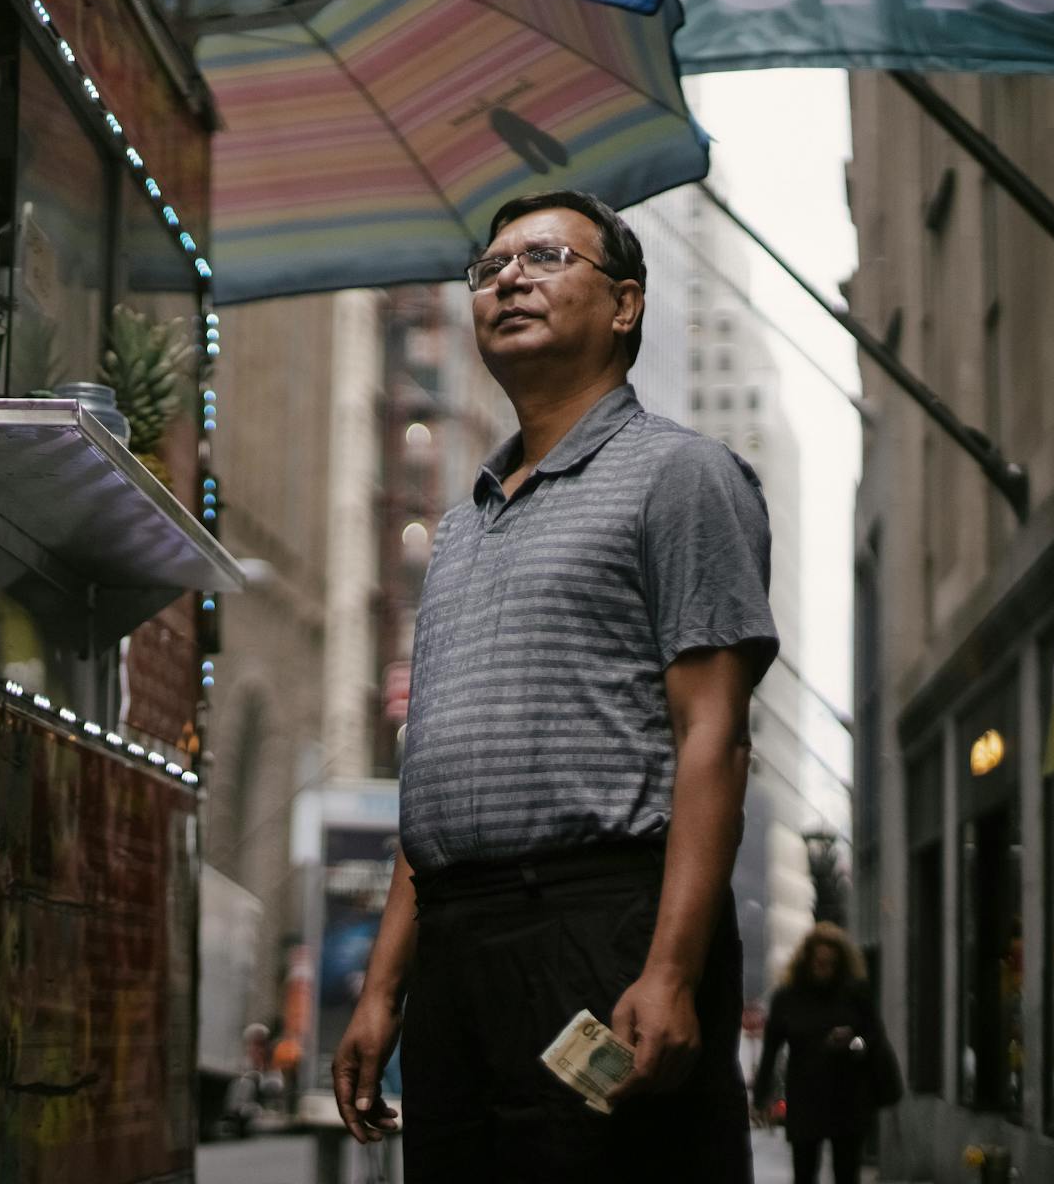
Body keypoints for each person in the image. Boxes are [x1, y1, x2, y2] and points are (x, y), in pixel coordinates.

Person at [330, 190, 778, 1182]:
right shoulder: (459, 529)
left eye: (543, 257)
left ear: (625, 304)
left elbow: (714, 735)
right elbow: (435, 774)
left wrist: (669, 970)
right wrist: (382, 988)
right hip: (458, 944)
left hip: (600, 924)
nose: (510, 281)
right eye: (489, 270)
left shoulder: (684, 476)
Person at [753, 923, 890, 1184]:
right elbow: (771, 1047)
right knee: (804, 1171)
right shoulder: (788, 998)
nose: (824, 969)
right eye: (819, 962)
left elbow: (873, 1034)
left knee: (847, 1171)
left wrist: (853, 1041)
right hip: (806, 1095)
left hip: (847, 1095)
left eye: (831, 963)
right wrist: (761, 1096)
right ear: (807, 961)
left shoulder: (853, 993)